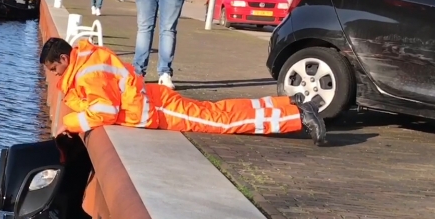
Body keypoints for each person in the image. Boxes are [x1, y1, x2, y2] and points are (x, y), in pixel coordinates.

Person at [40, 38, 327, 145]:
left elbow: (105, 110)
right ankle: (288, 103)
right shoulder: (89, 61)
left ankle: (298, 116)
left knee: (222, 121)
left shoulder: (86, 74)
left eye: (54, 69)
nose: (54, 76)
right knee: (219, 112)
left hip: (155, 110)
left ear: (64, 59)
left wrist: (70, 122)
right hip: (153, 99)